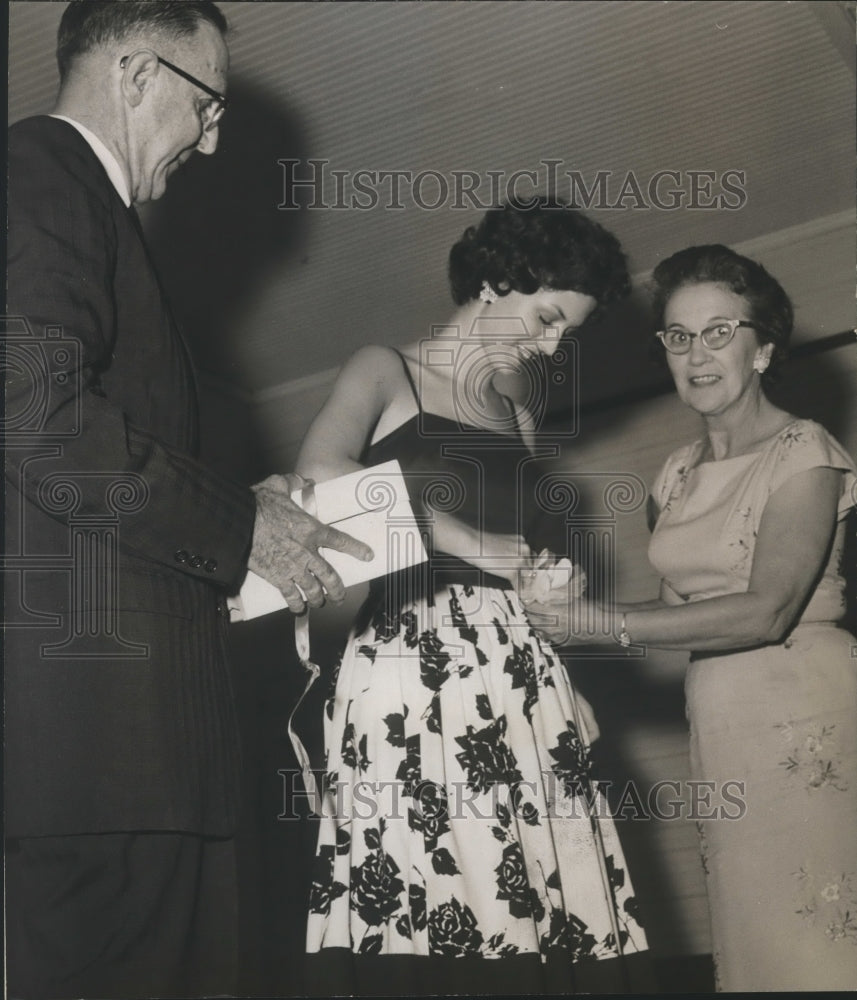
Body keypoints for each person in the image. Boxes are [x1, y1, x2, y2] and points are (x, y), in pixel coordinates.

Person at [4, 4, 371, 998]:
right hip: (107, 754)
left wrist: (238, 503)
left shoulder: (83, 208)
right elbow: (37, 420)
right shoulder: (42, 175)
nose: (212, 141)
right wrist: (245, 527)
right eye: (205, 105)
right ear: (134, 75)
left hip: (136, 753)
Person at [295, 199, 652, 996]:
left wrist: (552, 601)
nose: (553, 344)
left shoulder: (518, 410)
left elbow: (517, 556)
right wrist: (473, 543)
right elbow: (319, 479)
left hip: (518, 671)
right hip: (406, 662)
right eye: (548, 318)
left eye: (570, 333)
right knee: (433, 882)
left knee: (532, 894)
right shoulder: (383, 367)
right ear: (495, 281)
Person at [527, 244, 857, 991]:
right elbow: (677, 615)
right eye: (677, 336)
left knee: (822, 937)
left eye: (717, 332)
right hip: (719, 717)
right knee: (754, 938)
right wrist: (561, 602)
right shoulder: (673, 474)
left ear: (763, 347)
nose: (695, 354)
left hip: (807, 713)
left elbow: (765, 611)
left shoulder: (805, 451)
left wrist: (595, 622)